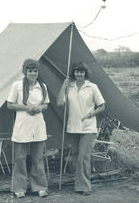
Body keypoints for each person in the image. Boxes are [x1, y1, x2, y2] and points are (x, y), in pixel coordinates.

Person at [57, 62, 105, 195]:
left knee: (83, 156)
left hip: (88, 126)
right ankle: (79, 184)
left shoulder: (92, 87)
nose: (79, 74)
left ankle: (85, 186)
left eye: (82, 72)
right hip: (73, 127)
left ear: (85, 73)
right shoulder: (70, 86)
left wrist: (91, 114)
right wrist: (64, 86)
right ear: (73, 73)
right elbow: (60, 102)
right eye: (77, 71)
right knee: (76, 156)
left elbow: (102, 106)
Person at [7, 59, 49, 198]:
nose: (32, 73)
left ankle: (40, 187)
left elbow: (46, 105)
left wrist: (38, 108)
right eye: (30, 71)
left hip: (37, 125)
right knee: (20, 158)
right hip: (22, 125)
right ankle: (19, 188)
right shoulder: (17, 85)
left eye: (35, 71)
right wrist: (26, 108)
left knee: (38, 158)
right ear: (24, 72)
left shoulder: (42, 86)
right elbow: (10, 105)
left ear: (38, 72)